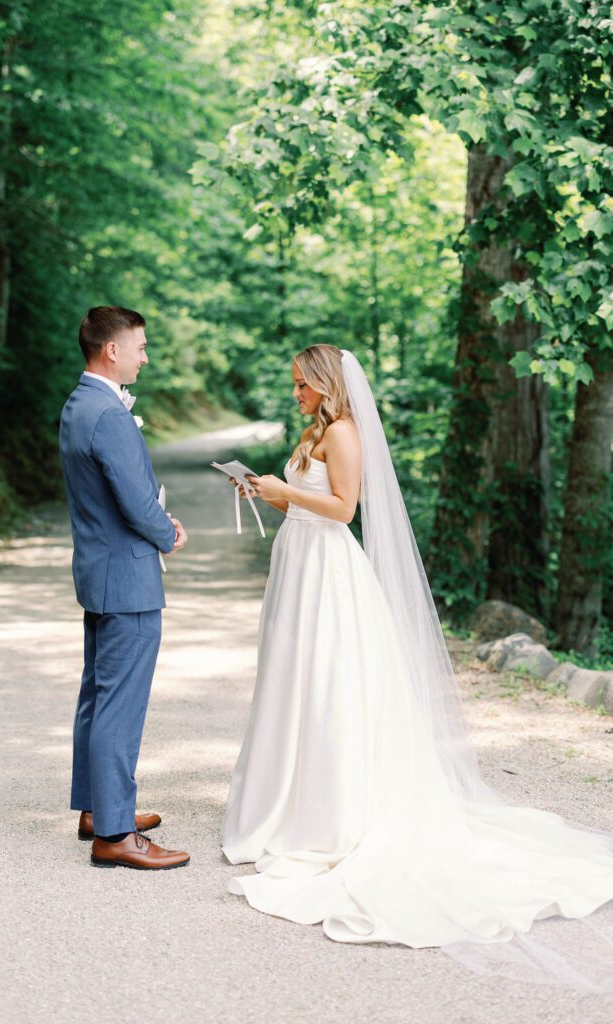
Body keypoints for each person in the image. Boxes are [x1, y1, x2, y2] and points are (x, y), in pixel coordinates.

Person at [221, 343, 613, 990]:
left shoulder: (343, 432)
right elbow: (303, 502)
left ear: (326, 384)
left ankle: (328, 812)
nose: (294, 394)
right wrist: (267, 494)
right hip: (298, 564)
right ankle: (283, 799)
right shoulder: (316, 430)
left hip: (328, 572)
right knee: (292, 685)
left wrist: (285, 489)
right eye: (293, 386)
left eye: (301, 385)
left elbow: (345, 509)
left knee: (327, 690)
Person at [59, 305, 190, 870]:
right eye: (139, 345)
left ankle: (98, 807)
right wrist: (168, 533)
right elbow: (135, 500)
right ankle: (115, 835)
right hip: (128, 577)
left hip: (99, 570)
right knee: (119, 702)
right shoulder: (108, 414)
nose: (145, 355)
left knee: (97, 694)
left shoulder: (78, 402)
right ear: (111, 350)